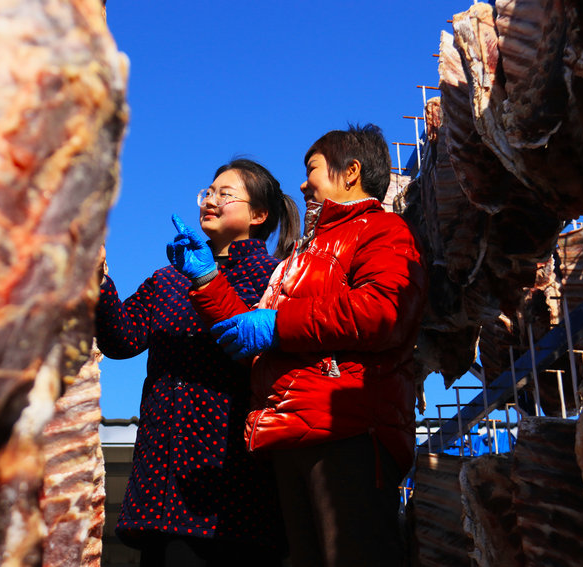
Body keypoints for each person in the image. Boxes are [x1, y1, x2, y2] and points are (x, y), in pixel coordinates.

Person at [168, 125, 428, 566]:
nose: (303, 183)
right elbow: (254, 331)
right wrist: (207, 279)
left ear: (351, 172)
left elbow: (384, 311)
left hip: (348, 432)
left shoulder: (383, 231)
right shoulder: (303, 255)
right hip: (290, 431)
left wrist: (279, 323)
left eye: (312, 170)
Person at [96, 158, 300, 566]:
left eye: (226, 194)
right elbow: (121, 339)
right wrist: (99, 280)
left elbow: (262, 356)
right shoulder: (167, 279)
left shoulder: (277, 278)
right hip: (160, 479)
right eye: (208, 192)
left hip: (232, 483)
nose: (211, 200)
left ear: (258, 215)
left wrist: (209, 280)